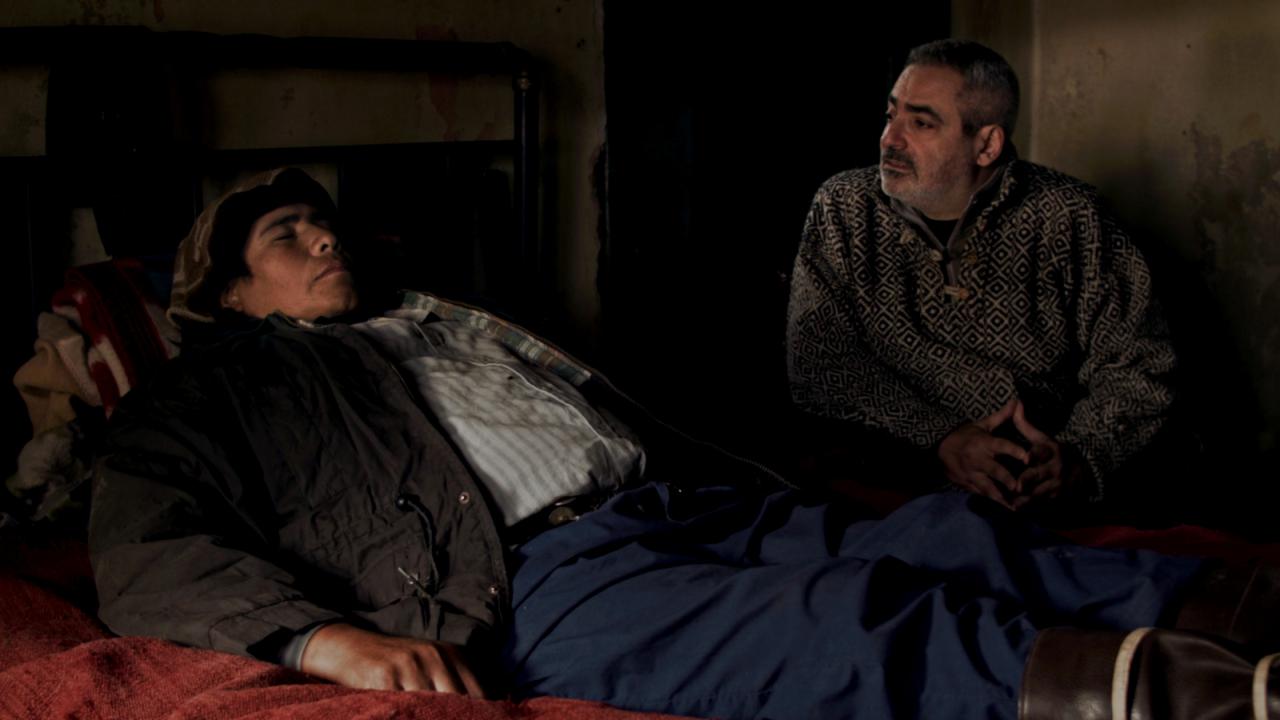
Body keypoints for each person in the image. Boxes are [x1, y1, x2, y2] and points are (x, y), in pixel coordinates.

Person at [90, 167, 1275, 719]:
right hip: (530, 575)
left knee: (952, 539)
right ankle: (1201, 700)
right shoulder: (215, 386)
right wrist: (323, 642)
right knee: (844, 623)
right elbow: (146, 543)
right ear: (228, 290)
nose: (326, 240)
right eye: (290, 234)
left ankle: (1238, 608)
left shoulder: (446, 321)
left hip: (686, 504)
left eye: (328, 223)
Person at [786, 39, 1177, 514]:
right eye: (891, 115)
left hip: (1033, 488)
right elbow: (819, 360)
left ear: (987, 144)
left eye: (921, 123)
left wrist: (1078, 456)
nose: (890, 139)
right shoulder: (845, 208)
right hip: (891, 475)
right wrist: (942, 438)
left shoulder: (1070, 216)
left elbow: (1138, 364)